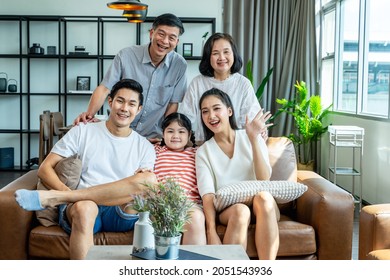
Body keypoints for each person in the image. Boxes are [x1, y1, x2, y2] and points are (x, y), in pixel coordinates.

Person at [15, 79, 157, 260]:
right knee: (85, 208)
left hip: (121, 210)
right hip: (84, 208)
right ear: (110, 102)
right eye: (120, 101)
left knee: (149, 180)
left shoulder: (144, 146)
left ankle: (58, 198)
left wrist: (65, 197)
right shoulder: (83, 131)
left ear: (138, 110)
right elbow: (45, 168)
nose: (124, 108)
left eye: (131, 104)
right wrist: (69, 193)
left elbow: (143, 186)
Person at [74, 13, 187, 143]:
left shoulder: (179, 65)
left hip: (153, 137)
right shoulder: (126, 55)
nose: (165, 41)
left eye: (172, 37)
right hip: (118, 133)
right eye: (161, 34)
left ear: (177, 42)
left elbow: (173, 104)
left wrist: (166, 137)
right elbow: (105, 88)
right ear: (151, 33)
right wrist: (89, 115)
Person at [195, 88, 278, 260]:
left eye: (217, 108)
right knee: (241, 211)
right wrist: (211, 231)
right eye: (205, 111)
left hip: (262, 205)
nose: (211, 116)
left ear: (229, 111)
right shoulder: (203, 151)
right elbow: (208, 195)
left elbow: (264, 178)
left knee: (263, 198)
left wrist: (254, 139)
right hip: (229, 209)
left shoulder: (251, 136)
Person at [178, 32, 266, 143]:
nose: (222, 57)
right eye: (215, 53)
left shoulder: (243, 84)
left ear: (234, 54)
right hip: (204, 144)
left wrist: (260, 131)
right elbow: (184, 118)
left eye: (226, 52)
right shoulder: (197, 83)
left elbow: (253, 120)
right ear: (208, 57)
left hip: (236, 145)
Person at [154, 112, 206, 245]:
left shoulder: (196, 152)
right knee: (158, 219)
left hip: (188, 203)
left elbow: (219, 145)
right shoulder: (155, 151)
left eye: (181, 132)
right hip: (161, 203)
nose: (175, 136)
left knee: (195, 217)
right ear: (163, 134)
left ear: (189, 135)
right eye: (170, 131)